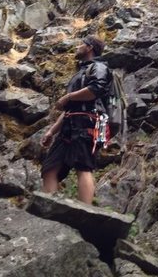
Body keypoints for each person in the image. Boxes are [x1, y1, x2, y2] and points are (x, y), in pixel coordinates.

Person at [40, 35, 110, 204]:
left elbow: (96, 89)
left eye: (81, 44)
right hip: (69, 125)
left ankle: (85, 212)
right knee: (49, 169)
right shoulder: (80, 73)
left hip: (89, 123)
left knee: (83, 167)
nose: (77, 47)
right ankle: (50, 209)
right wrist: (51, 131)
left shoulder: (99, 67)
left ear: (90, 48)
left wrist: (68, 97)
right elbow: (70, 109)